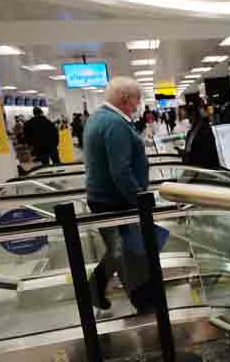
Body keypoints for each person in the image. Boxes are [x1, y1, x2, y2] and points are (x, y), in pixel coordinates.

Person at [84, 77, 161, 314]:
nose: (138, 106)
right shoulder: (115, 124)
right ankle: (142, 301)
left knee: (123, 250)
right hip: (115, 200)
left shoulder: (99, 118)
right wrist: (139, 199)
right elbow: (120, 170)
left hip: (105, 197)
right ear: (125, 98)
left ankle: (96, 290)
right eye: (137, 100)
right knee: (127, 252)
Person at [182, 101, 220, 170]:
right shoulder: (192, 131)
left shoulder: (204, 129)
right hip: (196, 168)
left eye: (189, 116)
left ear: (194, 114)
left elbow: (208, 153)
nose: (189, 119)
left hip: (204, 169)